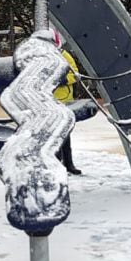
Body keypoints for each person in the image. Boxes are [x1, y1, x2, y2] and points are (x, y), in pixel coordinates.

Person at [53, 30, 82, 175]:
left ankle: (68, 163)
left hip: (64, 100)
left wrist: (64, 80)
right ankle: (56, 162)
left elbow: (75, 74)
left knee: (65, 134)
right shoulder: (42, 57)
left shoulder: (64, 55)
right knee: (54, 135)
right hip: (48, 101)